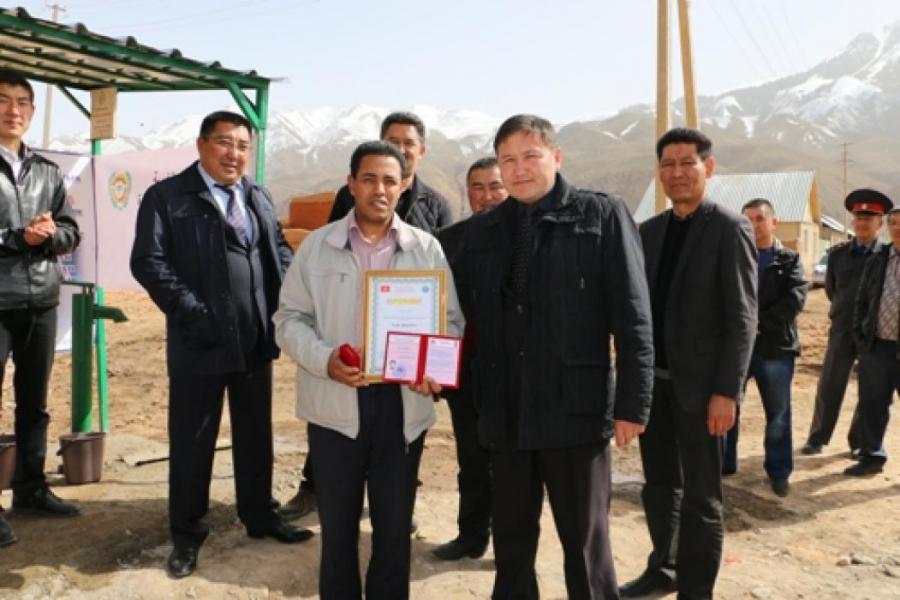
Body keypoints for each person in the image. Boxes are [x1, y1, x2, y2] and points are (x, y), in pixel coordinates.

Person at [453, 114, 655, 599]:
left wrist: (632, 405)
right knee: (512, 541)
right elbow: (454, 316)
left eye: (530, 156)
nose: (518, 169)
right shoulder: (483, 232)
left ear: (556, 157)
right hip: (505, 412)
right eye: (507, 160)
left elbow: (633, 316)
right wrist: (424, 364)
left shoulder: (600, 215)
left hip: (575, 412)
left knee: (585, 543)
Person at [273, 140, 464, 599]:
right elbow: (288, 319)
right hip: (334, 407)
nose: (380, 189)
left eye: (390, 181)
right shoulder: (317, 247)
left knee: (394, 530)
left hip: (403, 408)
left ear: (405, 186)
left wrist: (432, 368)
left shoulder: (426, 249)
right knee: (337, 530)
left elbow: (451, 322)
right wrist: (325, 359)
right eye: (369, 179)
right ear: (352, 184)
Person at [130, 110, 312, 579]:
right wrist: (193, 311)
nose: (234, 154)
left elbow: (277, 248)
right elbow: (149, 261)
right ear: (201, 145)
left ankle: (260, 514)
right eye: (224, 142)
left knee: (255, 434)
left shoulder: (257, 195)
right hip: (200, 340)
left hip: (255, 338)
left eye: (243, 146)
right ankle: (187, 534)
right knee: (193, 441)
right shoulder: (168, 197)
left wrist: (285, 295)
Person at [620, 128, 757, 600]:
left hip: (703, 392)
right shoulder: (650, 231)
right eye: (668, 164)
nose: (677, 173)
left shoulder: (729, 228)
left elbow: (742, 318)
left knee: (702, 498)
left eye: (687, 163)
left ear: (708, 168)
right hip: (654, 387)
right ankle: (665, 567)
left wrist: (727, 391)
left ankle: (696, 591)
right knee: (659, 487)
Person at [0, 71, 81, 548]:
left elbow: (71, 230)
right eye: (3, 100)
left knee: (34, 403)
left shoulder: (47, 172)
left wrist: (53, 235)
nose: (13, 110)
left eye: (22, 102)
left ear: (32, 111)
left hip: (41, 301)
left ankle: (31, 489)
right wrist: (18, 238)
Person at [432, 157, 508, 561]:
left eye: (495, 186)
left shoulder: (529, 236)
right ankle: (471, 535)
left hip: (515, 372)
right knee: (472, 458)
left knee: (514, 466)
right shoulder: (447, 241)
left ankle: (511, 546)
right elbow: (434, 305)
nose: (487, 195)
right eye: (477, 187)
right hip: (465, 369)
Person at [723, 198, 807, 497]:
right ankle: (725, 462)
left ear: (774, 222)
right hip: (737, 349)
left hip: (775, 348)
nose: (754, 225)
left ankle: (779, 471)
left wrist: (758, 324)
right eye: (747, 219)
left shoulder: (789, 259)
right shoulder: (733, 256)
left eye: (760, 219)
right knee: (728, 405)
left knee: (778, 413)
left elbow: (795, 298)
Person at [801, 190, 887, 456]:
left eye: (869, 218)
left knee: (871, 390)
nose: (863, 223)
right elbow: (831, 291)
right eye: (859, 218)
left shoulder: (888, 256)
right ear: (853, 222)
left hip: (875, 333)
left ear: (879, 223)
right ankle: (817, 437)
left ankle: (859, 442)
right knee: (830, 384)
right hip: (842, 329)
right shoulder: (838, 255)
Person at [847, 200, 899, 476]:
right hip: (877, 347)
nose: (897, 228)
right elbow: (862, 302)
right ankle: (871, 458)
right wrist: (861, 338)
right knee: (872, 405)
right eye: (893, 223)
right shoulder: (877, 260)